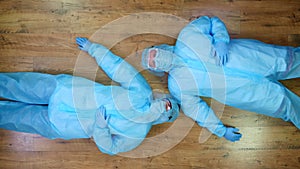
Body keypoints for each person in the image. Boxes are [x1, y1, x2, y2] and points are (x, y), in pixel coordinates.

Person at [0, 37, 180, 155]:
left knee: (13, 115)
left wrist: (100, 128)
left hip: (64, 123)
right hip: (67, 91)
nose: (163, 105)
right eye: (166, 103)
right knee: (16, 86)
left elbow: (110, 147)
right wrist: (94, 49)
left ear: (163, 117)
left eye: (166, 108)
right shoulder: (142, 93)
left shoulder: (137, 134)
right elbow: (119, 69)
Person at [141, 16, 300, 142]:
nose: (157, 59)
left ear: (159, 48)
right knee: (284, 105)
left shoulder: (187, 36)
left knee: (289, 61)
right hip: (244, 92)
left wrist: (221, 40)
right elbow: (197, 110)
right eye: (153, 63)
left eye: (154, 53)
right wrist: (220, 130)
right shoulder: (177, 86)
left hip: (250, 57)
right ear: (156, 70)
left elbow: (211, 22)